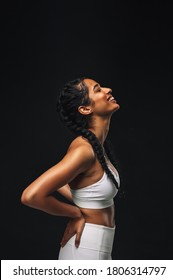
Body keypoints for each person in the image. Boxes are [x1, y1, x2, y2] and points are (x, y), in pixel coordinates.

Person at [21, 77, 123, 260]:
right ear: (85, 109)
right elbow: (31, 196)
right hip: (85, 250)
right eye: (98, 90)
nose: (108, 90)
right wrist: (75, 213)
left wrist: (80, 203)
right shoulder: (84, 150)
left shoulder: (97, 145)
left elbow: (72, 187)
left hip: (99, 248)